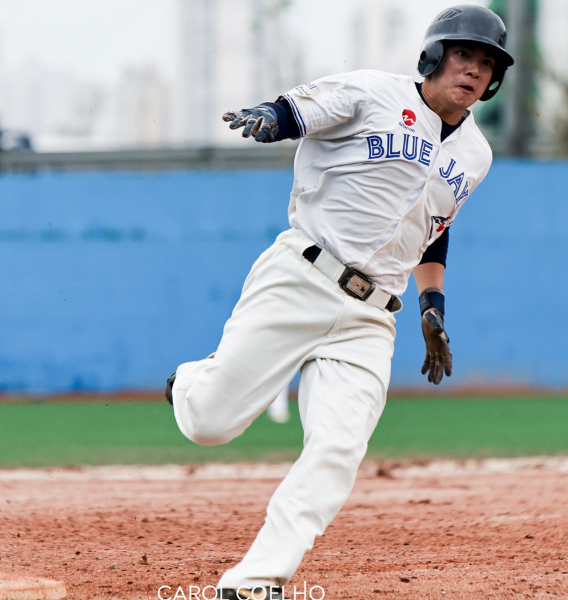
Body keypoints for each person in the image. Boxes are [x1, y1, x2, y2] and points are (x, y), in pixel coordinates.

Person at [165, 6, 513, 599]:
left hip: (373, 315)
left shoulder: (476, 154)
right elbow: (300, 110)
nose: (474, 70)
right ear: (433, 56)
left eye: (487, 63)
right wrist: (269, 118)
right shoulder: (373, 92)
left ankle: (254, 582)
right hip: (302, 276)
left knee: (338, 447)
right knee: (210, 425)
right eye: (464, 55)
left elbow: (434, 230)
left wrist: (433, 308)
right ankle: (191, 381)